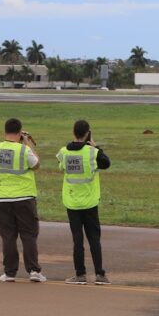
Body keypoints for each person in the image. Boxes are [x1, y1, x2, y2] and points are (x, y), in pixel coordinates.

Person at [0, 118, 45, 283]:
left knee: (8, 236)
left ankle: (9, 272)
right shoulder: (24, 150)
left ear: (4, 131)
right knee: (28, 235)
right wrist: (27, 143)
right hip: (24, 197)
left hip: (1, 198)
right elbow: (36, 164)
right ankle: (33, 270)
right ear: (20, 133)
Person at [58, 120, 112, 286]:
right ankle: (99, 274)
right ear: (88, 133)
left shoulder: (64, 152)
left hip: (72, 202)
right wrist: (95, 146)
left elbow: (61, 166)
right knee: (94, 239)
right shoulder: (92, 152)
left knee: (77, 240)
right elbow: (106, 163)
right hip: (89, 202)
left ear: (73, 132)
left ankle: (80, 274)